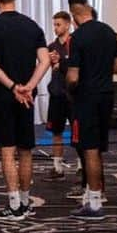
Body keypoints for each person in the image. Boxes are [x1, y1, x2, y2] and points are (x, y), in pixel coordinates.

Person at [0, 0, 50, 220]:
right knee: (26, 150)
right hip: (27, 98)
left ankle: (13, 205)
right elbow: (45, 61)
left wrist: (13, 86)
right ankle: (24, 200)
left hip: (3, 96)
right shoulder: (32, 26)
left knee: (7, 151)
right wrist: (29, 86)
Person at [65, 0, 117, 219]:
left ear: (74, 16)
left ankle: (95, 203)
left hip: (86, 97)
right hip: (106, 95)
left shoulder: (77, 38)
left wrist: (68, 85)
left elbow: (73, 76)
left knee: (89, 149)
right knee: (97, 147)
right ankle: (92, 194)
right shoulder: (109, 32)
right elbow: (116, 66)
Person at [45, 11, 73, 180]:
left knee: (80, 132)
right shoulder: (51, 47)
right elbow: (50, 67)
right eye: (54, 25)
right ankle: (57, 167)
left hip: (72, 94)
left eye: (59, 24)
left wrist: (62, 63)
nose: (56, 28)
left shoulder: (75, 43)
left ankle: (81, 165)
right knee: (56, 131)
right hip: (56, 94)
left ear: (68, 24)